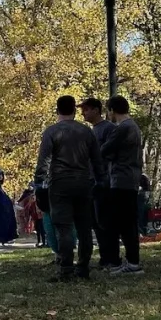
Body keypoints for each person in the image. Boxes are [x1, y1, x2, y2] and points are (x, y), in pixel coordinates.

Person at [33, 95, 107, 281]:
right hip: (84, 182)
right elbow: (97, 160)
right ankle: (83, 268)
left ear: (57, 110)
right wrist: (101, 181)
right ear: (74, 110)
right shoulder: (87, 132)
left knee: (64, 227)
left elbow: (44, 161)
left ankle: (66, 269)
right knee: (84, 227)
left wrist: (39, 183)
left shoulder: (51, 132)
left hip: (60, 183)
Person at [101, 96, 144, 275]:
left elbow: (105, 150)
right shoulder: (133, 127)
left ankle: (132, 263)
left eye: (108, 110)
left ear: (112, 110)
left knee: (123, 223)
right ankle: (132, 260)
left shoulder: (123, 128)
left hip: (121, 179)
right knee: (127, 222)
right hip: (131, 178)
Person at [79, 97, 117, 269]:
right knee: (95, 222)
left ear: (96, 110)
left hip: (104, 182)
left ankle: (112, 258)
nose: (83, 113)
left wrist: (105, 179)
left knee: (105, 221)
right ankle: (104, 257)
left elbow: (112, 154)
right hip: (90, 180)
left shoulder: (108, 129)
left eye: (86, 109)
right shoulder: (90, 131)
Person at [0, 170, 18, 247]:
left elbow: (3, 196)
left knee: (3, 224)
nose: (1, 176)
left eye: (2, 175)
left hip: (2, 209)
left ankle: (4, 240)